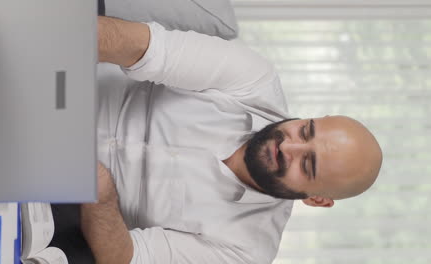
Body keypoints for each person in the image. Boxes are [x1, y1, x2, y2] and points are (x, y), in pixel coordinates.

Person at [75, 16, 383, 264]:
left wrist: (99, 189)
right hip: (64, 83)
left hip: (62, 198)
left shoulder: (247, 252)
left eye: (308, 164)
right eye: (305, 131)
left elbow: (128, 258)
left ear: (316, 199)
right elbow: (139, 45)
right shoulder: (253, 78)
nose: (288, 146)